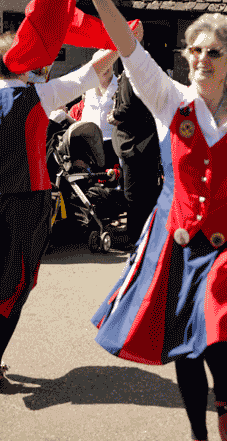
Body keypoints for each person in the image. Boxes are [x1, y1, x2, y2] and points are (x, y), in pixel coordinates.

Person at [76, 0, 227, 441]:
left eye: (213, 52)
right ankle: (201, 431)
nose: (200, 59)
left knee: (215, 316)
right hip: (175, 235)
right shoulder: (168, 98)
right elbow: (129, 48)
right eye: (194, 51)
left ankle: (224, 393)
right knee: (186, 340)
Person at [0, 31, 118, 391]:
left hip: (16, 199)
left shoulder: (34, 92)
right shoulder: (35, 95)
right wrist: (121, 36)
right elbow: (92, 70)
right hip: (24, 201)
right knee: (14, 286)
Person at [109, 69, 163, 247]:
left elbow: (128, 107)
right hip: (149, 142)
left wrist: (114, 115)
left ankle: (133, 237)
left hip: (134, 144)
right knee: (147, 193)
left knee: (133, 194)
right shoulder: (149, 73)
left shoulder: (129, 75)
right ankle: (148, 236)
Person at [80, 49, 120, 169]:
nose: (105, 67)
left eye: (108, 62)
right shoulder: (87, 86)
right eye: (101, 64)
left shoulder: (120, 85)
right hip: (89, 144)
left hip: (112, 144)